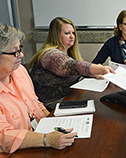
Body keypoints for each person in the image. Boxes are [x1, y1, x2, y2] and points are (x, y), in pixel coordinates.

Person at [0, 23, 77, 155]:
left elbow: (36, 103)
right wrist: (47, 139)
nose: (22, 55)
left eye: (21, 48)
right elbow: (4, 138)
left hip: (39, 139)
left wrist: (53, 121)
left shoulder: (20, 71)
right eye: (15, 52)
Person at [28, 17, 115, 110]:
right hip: (53, 103)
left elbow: (81, 66)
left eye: (73, 33)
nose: (72, 36)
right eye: (67, 33)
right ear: (56, 35)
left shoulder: (70, 52)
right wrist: (99, 68)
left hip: (69, 95)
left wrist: (92, 74)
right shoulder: (49, 54)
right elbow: (73, 66)